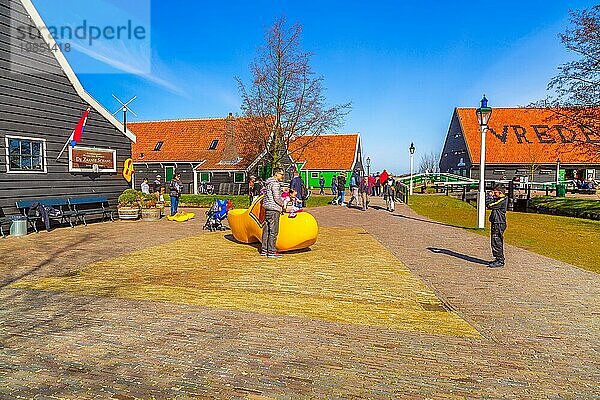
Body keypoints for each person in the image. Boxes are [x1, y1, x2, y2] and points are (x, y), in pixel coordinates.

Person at [262, 168, 285, 258]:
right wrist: (283, 204)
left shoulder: (268, 183)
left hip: (268, 208)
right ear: (276, 174)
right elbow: (276, 198)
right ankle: (271, 251)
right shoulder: (275, 184)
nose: (282, 176)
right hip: (274, 209)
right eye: (281, 174)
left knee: (266, 230)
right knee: (273, 231)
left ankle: (264, 250)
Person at [486, 185, 508, 268]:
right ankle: (498, 258)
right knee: (495, 241)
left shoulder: (502, 200)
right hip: (496, 222)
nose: (494, 194)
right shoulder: (499, 199)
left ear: (500, 192)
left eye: (495, 192)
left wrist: (489, 197)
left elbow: (490, 205)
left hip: (499, 223)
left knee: (496, 241)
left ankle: (500, 260)